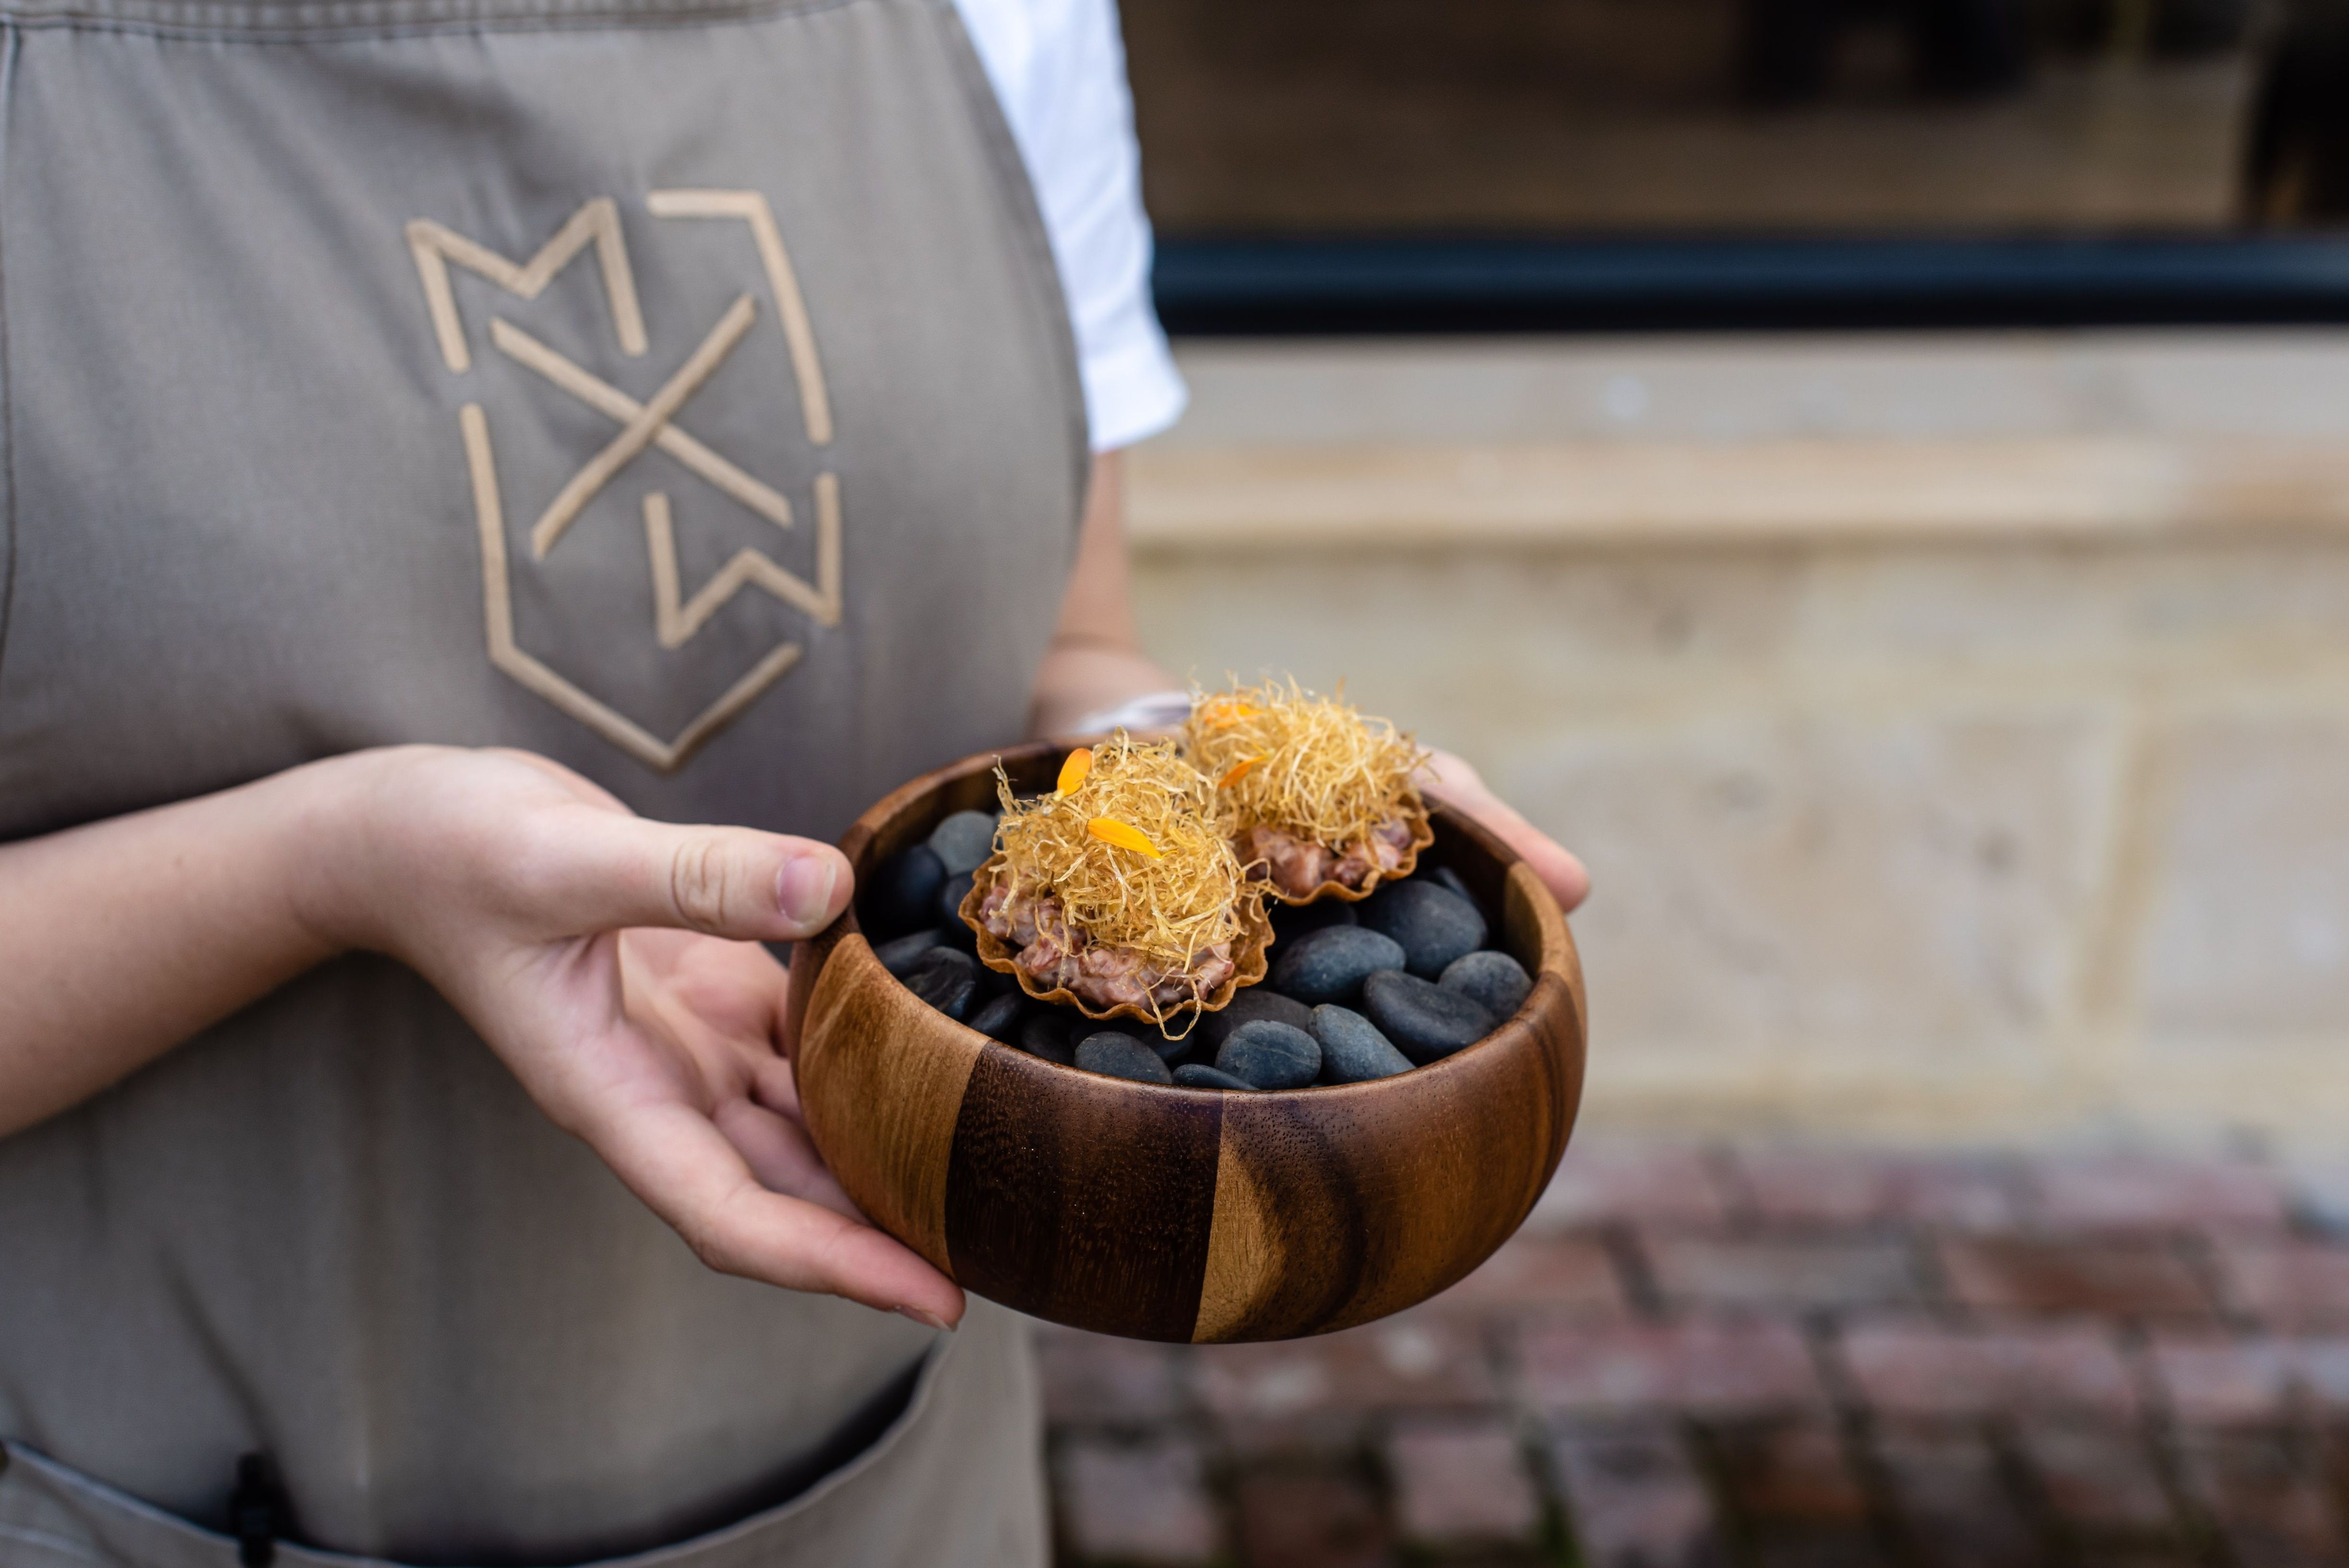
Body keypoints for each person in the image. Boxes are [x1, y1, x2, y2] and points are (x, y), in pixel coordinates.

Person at [0, 0, 1591, 1560]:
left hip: (891, 1470)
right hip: (157, 1495)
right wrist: (332, 863)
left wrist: (1210, 776)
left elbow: (1070, 640)